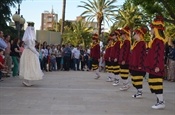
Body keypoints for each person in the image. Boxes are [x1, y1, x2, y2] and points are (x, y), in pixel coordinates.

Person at [144, 15, 165, 109]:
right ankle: (159, 101)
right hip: (153, 65)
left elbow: (159, 54)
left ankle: (161, 102)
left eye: (152, 28)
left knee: (156, 83)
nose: (151, 30)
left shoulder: (159, 41)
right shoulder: (155, 40)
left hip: (156, 66)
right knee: (153, 82)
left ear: (156, 29)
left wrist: (157, 66)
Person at [19, 22, 43, 86]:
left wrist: (36, 52)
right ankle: (27, 80)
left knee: (31, 66)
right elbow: (30, 46)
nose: (33, 31)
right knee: (28, 66)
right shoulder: (28, 39)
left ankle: (29, 80)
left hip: (31, 53)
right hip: (29, 53)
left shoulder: (31, 38)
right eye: (31, 30)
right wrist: (36, 52)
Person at [129, 27, 147, 98]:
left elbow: (142, 55)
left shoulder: (142, 43)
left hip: (138, 65)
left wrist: (140, 64)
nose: (134, 35)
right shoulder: (136, 43)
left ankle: (139, 92)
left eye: (136, 34)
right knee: (134, 78)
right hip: (134, 64)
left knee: (138, 79)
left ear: (139, 35)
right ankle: (138, 91)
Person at [118, 26, 131, 91]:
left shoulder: (127, 41)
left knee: (124, 73)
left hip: (125, 60)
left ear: (125, 34)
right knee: (122, 73)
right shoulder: (124, 41)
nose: (121, 36)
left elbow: (126, 52)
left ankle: (126, 85)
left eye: (122, 34)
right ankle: (125, 84)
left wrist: (124, 60)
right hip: (122, 60)